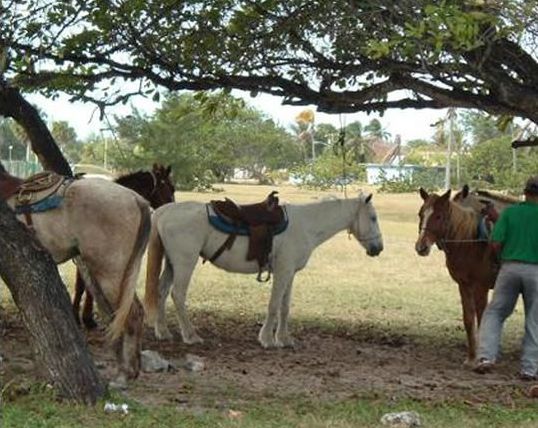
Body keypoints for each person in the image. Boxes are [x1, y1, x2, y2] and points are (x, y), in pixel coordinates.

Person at [474, 175, 538, 380]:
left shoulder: (510, 213)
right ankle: (529, 368)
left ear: (525, 192)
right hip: (536, 271)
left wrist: (502, 259)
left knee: (495, 312)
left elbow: (495, 243)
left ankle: (486, 357)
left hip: (509, 268)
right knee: (534, 319)